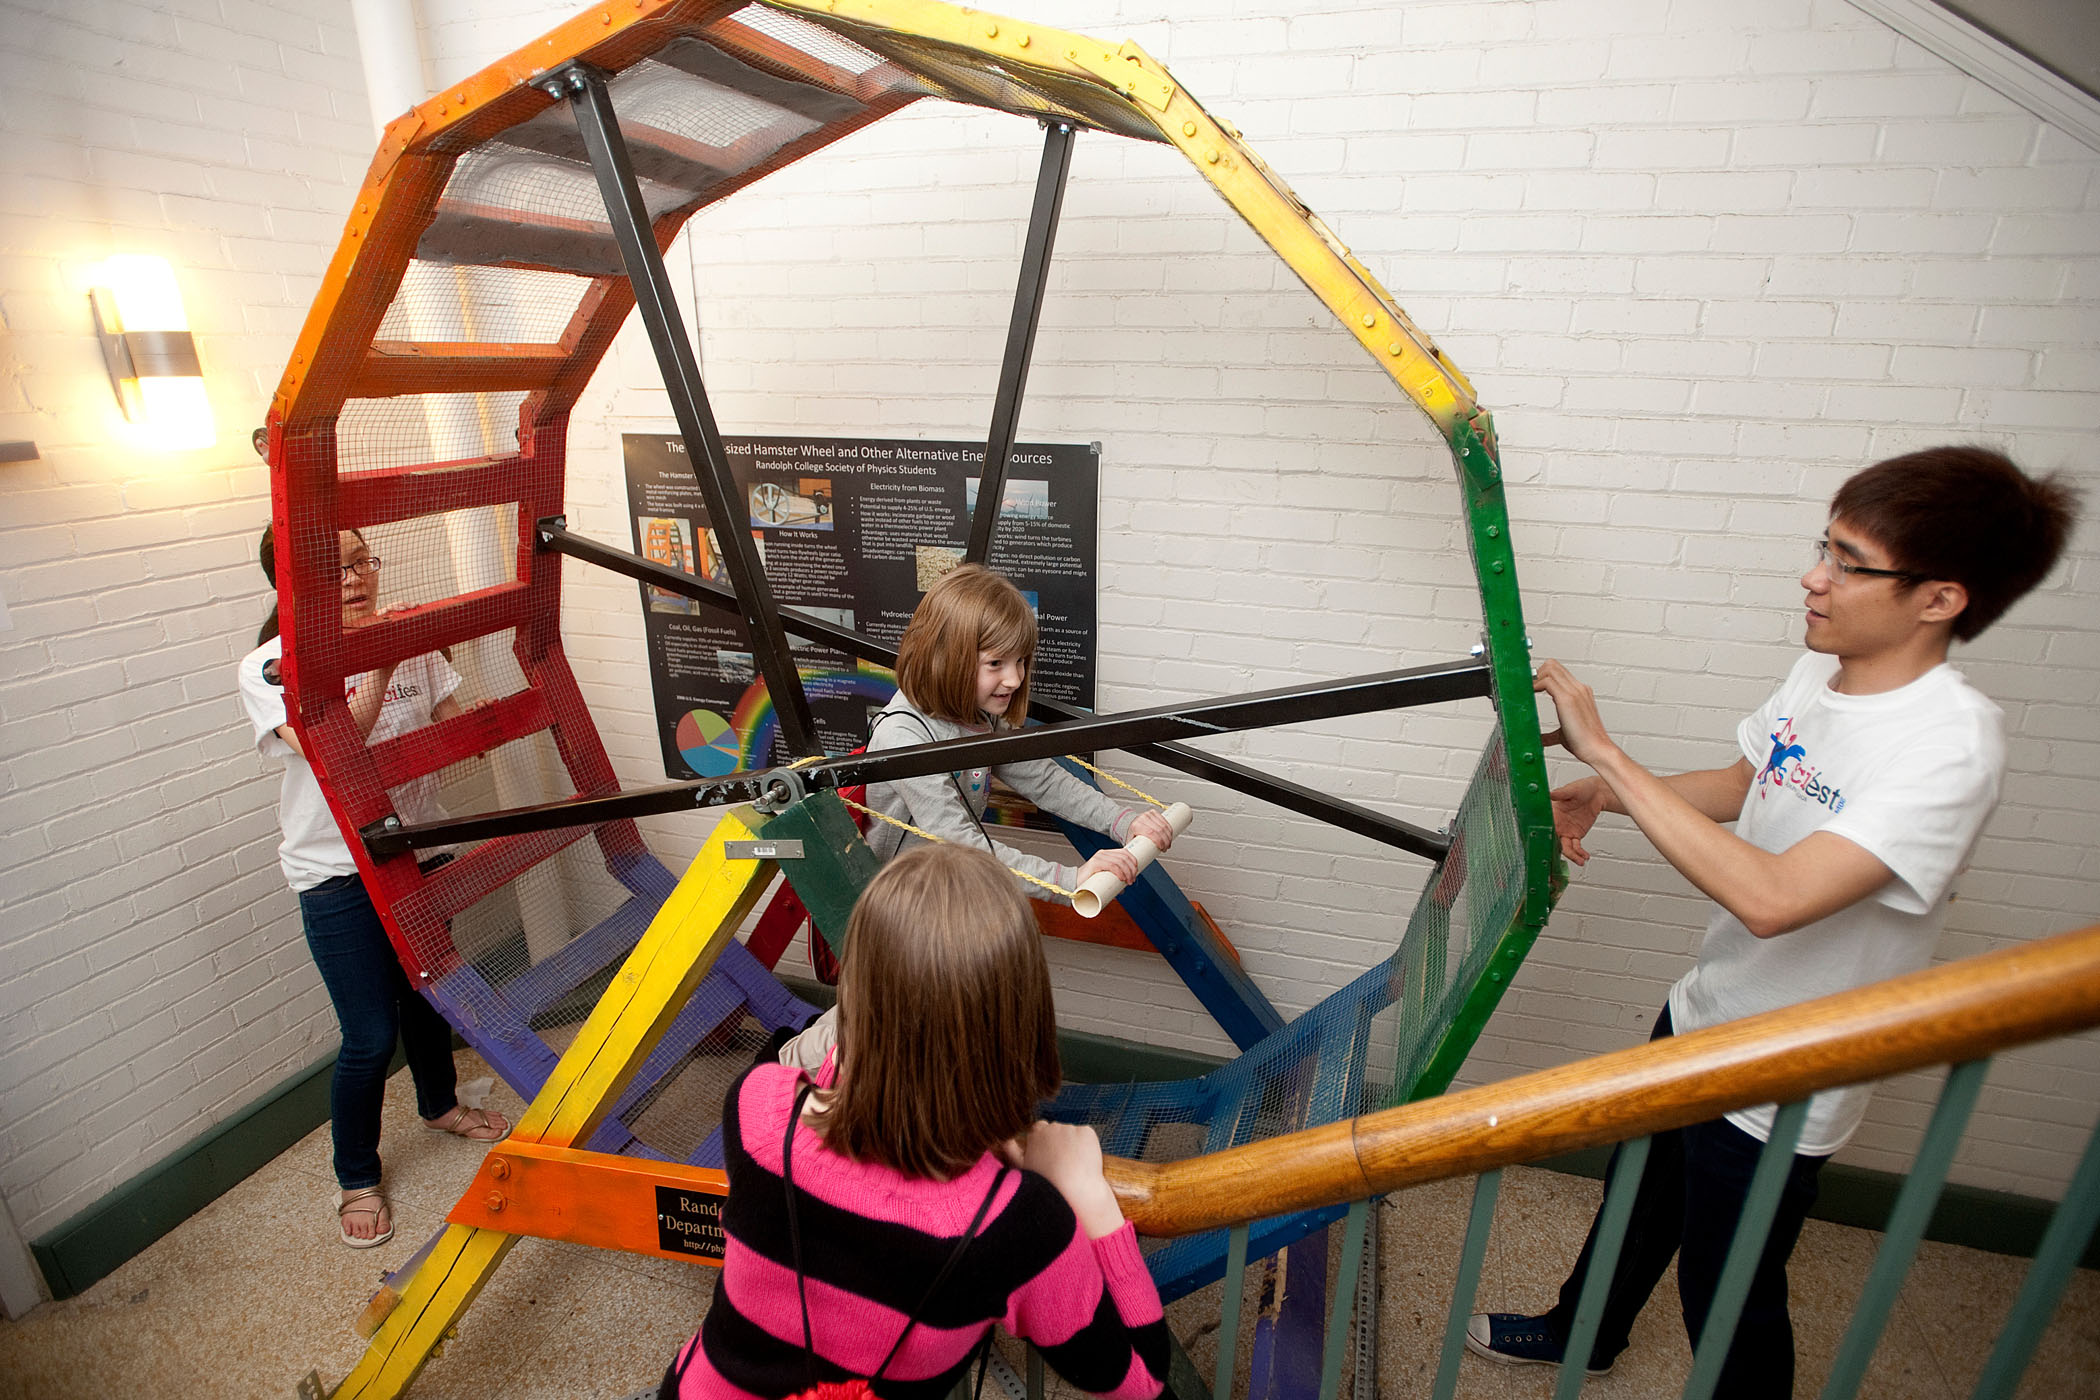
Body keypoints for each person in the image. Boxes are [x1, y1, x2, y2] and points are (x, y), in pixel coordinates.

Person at [1466, 446, 2080, 1396]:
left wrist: (1610, 751)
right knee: (1636, 1201)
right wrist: (1609, 793)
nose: (1814, 576)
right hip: (1706, 1009)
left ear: (1939, 599)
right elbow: (1749, 782)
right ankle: (1581, 1332)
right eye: (1822, 547)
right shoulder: (1821, 671)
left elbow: (1776, 896)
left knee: (1730, 1286)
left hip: (1788, 1073)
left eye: (1848, 560)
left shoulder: (1952, 744)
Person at [661, 844, 1171, 1400]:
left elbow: (835, 1096)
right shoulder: (1021, 1227)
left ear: (853, 995)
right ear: (1018, 1021)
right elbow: (1143, 1381)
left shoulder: (756, 1109)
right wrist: (1087, 1197)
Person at [779, 563, 1176, 1069]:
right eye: (996, 664)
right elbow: (961, 844)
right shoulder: (904, 735)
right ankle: (784, 1071)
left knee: (930, 1023)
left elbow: (1044, 779)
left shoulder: (976, 715)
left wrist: (1123, 823)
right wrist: (1069, 879)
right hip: (893, 916)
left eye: (1020, 662)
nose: (1014, 679)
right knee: (869, 1025)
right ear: (947, 658)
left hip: (941, 900)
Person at [236, 524, 510, 1248]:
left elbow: (457, 729)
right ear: (294, 586)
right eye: (335, 569)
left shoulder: (408, 638)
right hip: (337, 874)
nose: (357, 577)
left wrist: (489, 715)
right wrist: (384, 665)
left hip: (420, 851)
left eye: (361, 561)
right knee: (367, 1034)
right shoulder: (272, 667)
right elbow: (340, 752)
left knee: (428, 997)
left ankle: (439, 1105)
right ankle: (355, 1174)